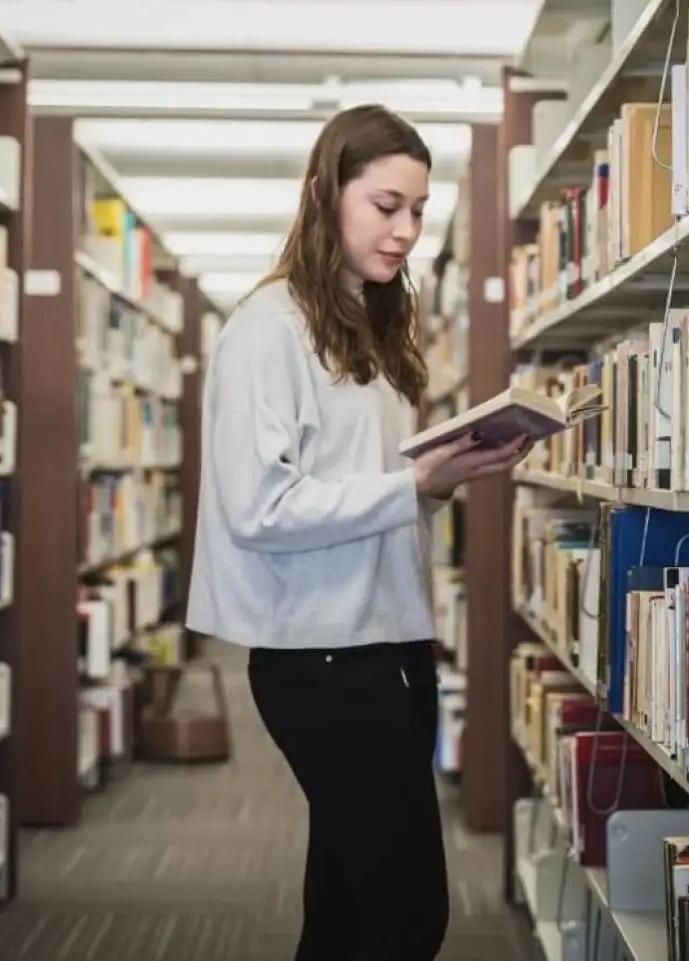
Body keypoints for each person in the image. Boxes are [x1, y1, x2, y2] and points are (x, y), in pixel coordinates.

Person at [186, 104, 531, 961]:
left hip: (389, 640)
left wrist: (438, 481)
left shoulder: (373, 328)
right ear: (323, 196)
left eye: (418, 210)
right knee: (408, 911)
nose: (408, 230)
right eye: (386, 206)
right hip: (321, 655)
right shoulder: (266, 330)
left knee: (344, 910)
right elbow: (259, 508)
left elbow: (369, 494)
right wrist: (409, 482)